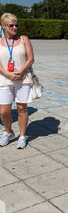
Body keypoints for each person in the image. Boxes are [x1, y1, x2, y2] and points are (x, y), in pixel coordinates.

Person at [0, 13, 34, 148]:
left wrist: (21, 71)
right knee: (4, 111)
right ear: (3, 26)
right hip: (3, 79)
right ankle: (8, 132)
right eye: (11, 25)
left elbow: (30, 58)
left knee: (21, 108)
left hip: (23, 79)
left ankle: (22, 135)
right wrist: (8, 75)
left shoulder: (23, 39)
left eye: (16, 25)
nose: (14, 27)